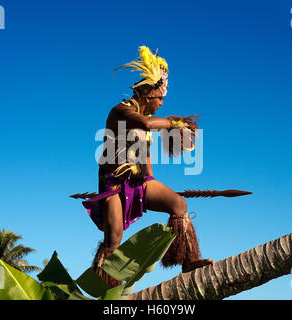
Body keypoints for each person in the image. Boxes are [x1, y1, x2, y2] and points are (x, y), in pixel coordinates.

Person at [82, 46, 213, 287]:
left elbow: (146, 155)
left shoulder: (145, 123)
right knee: (114, 238)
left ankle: (189, 262)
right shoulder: (121, 111)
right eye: (160, 97)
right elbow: (146, 123)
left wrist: (152, 180)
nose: (162, 102)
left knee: (179, 205)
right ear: (148, 94)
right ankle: (105, 287)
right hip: (113, 184)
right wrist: (175, 123)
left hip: (138, 183)